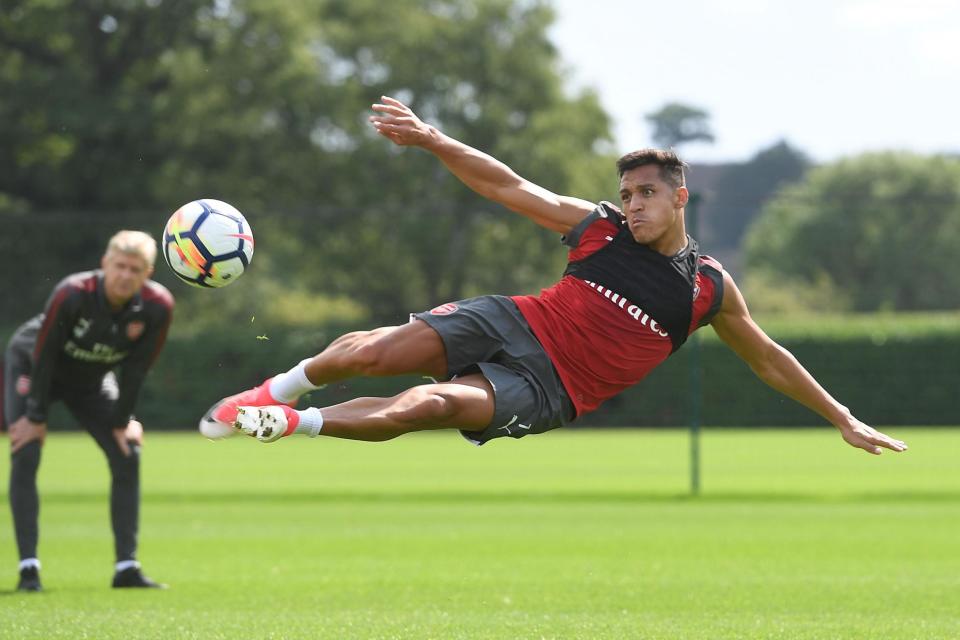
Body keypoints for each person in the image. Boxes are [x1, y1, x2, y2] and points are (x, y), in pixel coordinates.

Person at [203, 96, 906, 459]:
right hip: (518, 319)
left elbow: (769, 360)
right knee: (369, 354)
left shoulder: (709, 288)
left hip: (550, 389)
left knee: (430, 407)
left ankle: (288, 421)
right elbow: (509, 187)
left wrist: (840, 416)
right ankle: (272, 388)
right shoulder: (598, 226)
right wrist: (432, 138)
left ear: (679, 198)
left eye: (647, 194)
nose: (633, 204)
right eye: (627, 193)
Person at [3, 230, 174, 592]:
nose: (126, 275)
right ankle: (28, 570)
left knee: (128, 452)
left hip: (92, 380)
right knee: (26, 450)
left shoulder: (159, 306)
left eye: (136, 269)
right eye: (120, 266)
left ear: (148, 274)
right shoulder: (72, 293)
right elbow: (45, 354)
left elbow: (136, 370)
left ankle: (126, 568)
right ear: (105, 264)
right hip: (34, 367)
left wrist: (121, 420)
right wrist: (35, 418)